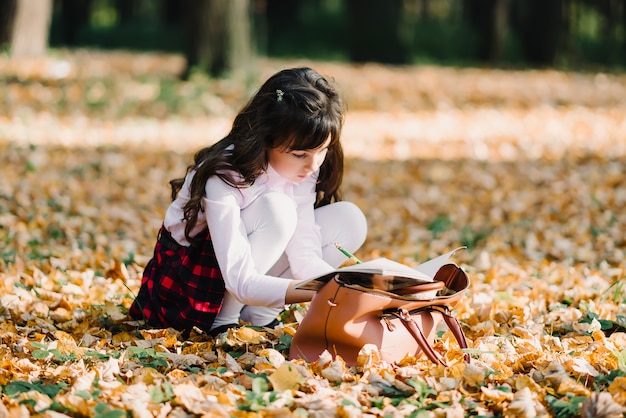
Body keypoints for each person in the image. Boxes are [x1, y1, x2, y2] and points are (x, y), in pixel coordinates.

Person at [129, 67, 367, 336]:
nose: (314, 165)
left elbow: (304, 253)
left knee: (350, 219)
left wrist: (345, 285)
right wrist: (325, 289)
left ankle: (261, 316)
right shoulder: (225, 176)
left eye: (322, 150)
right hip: (191, 286)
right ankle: (223, 323)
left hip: (243, 278)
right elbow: (239, 280)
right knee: (279, 211)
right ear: (266, 139)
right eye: (300, 153)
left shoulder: (303, 171)